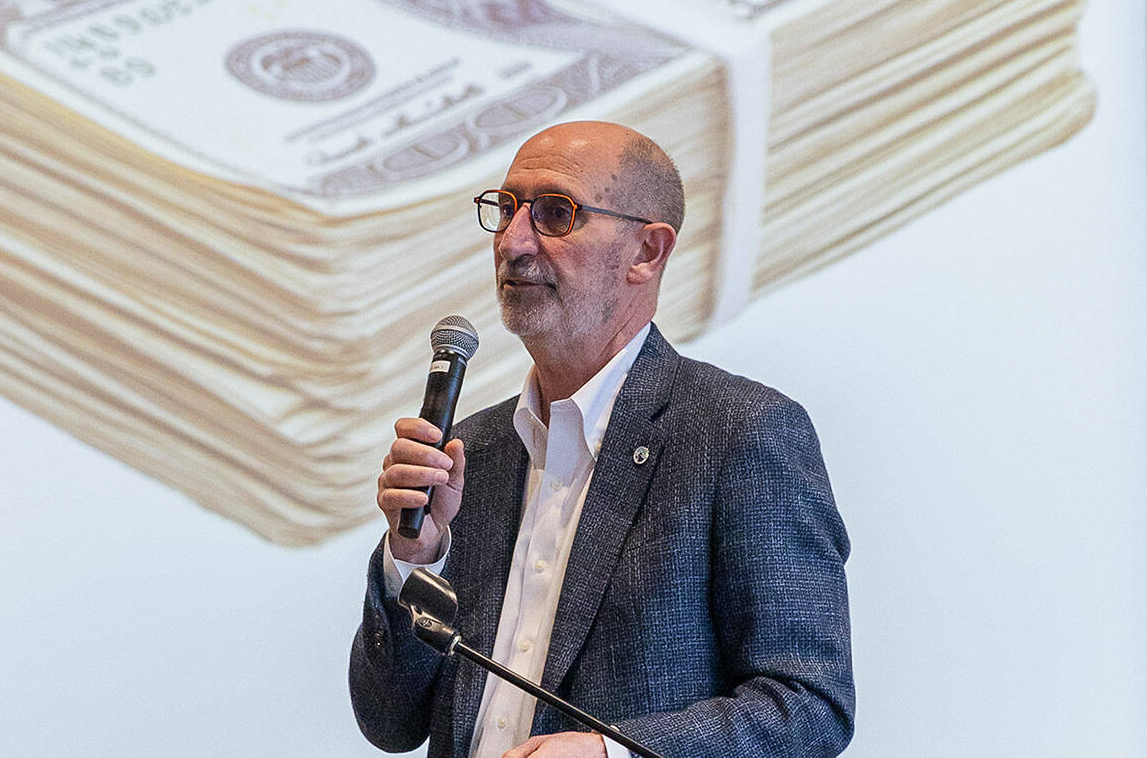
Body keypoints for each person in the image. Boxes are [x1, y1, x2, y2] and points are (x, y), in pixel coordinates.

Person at [349, 121, 854, 758]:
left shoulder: (740, 433)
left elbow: (809, 707)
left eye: (554, 213)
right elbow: (390, 722)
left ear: (647, 252)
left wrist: (613, 753)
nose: (513, 241)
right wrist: (415, 556)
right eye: (506, 209)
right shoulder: (471, 451)